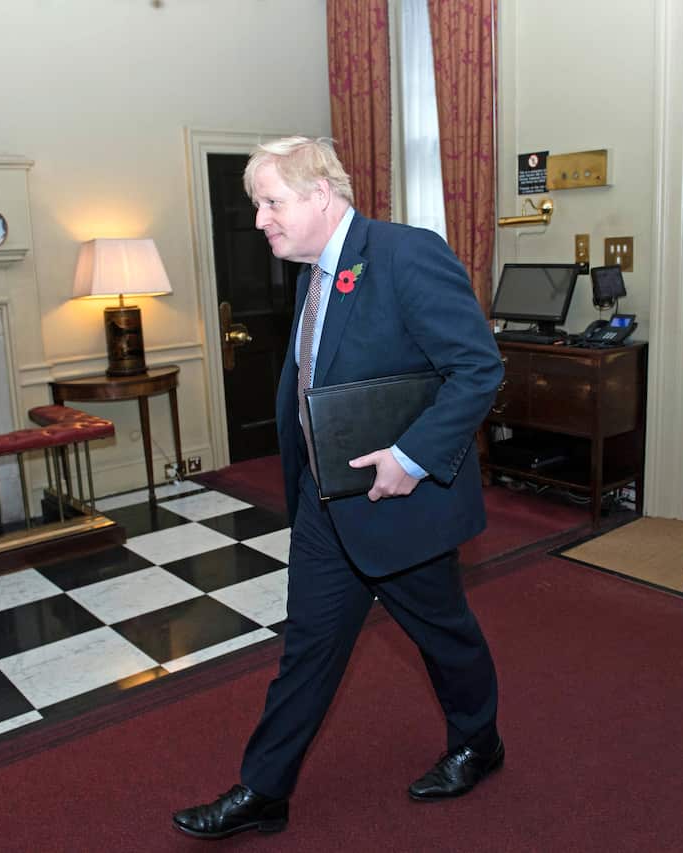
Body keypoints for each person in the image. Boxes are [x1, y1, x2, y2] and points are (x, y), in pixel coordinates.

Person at [171, 137, 505, 839]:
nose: (261, 219)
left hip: (402, 497)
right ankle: (265, 790)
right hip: (327, 504)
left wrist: (411, 458)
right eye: (258, 204)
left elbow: (478, 368)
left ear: (320, 194)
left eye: (271, 202)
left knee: (444, 635)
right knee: (308, 649)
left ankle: (479, 742)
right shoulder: (310, 276)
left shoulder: (405, 255)